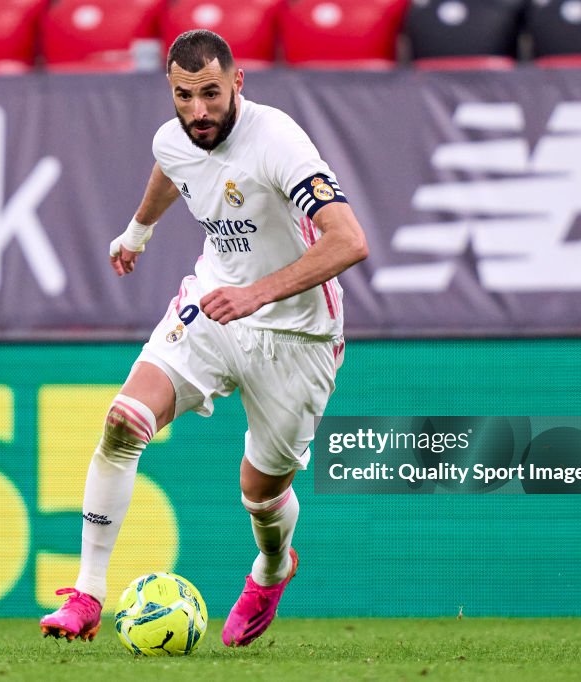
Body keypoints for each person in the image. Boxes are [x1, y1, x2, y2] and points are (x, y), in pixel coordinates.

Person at [40, 29, 368, 648]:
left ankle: (272, 569)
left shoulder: (277, 141)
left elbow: (349, 239)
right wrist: (137, 232)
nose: (198, 111)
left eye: (211, 94)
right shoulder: (176, 135)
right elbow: (174, 166)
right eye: (184, 96)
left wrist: (257, 293)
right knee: (123, 421)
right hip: (211, 307)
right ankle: (86, 594)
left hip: (297, 335)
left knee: (261, 492)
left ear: (238, 82)